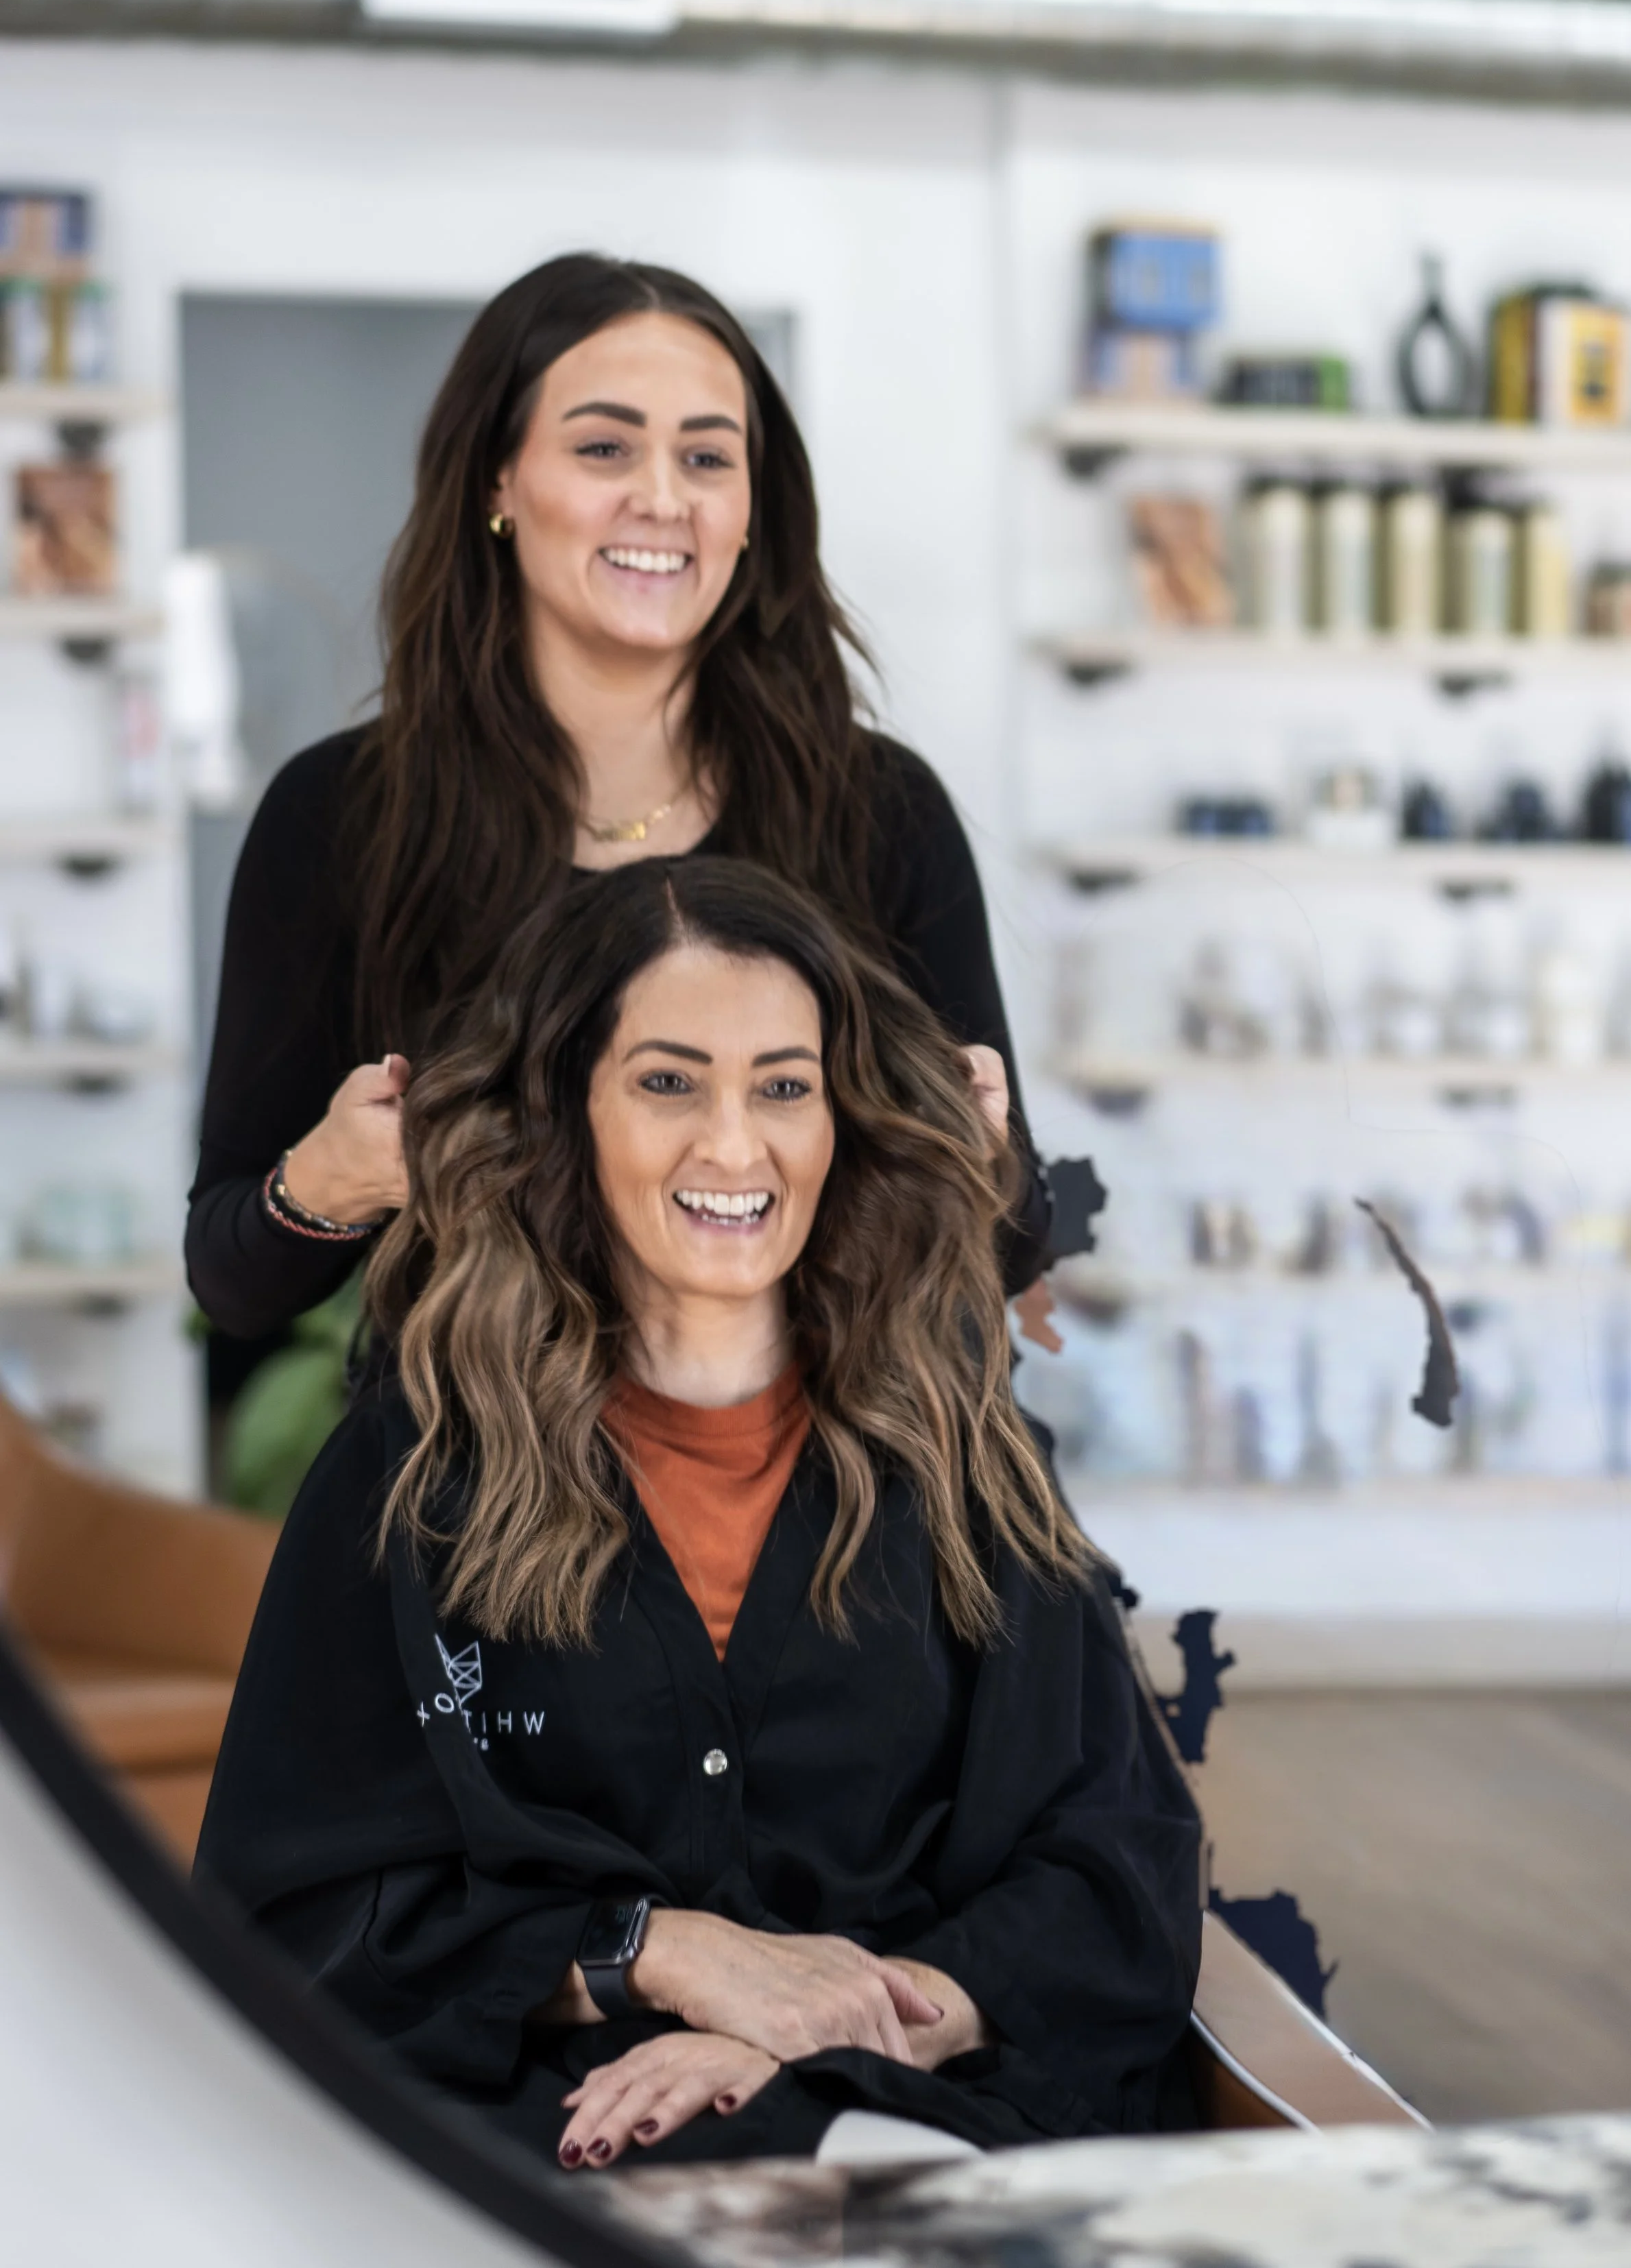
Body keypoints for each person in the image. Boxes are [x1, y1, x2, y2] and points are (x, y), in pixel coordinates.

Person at [195, 859, 1201, 2169]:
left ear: (843, 1114)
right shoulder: (413, 1473)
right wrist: (659, 1956)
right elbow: (295, 1921)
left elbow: (1115, 1875)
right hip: (535, 2153)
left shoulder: (972, 1465)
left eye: (784, 1085)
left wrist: (825, 2032)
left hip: (924, 2129)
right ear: (569, 1111)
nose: (736, 1144)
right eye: (669, 1081)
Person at [187, 253, 1051, 1344]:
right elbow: (232, 1278)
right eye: (605, 447)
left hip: (837, 1490)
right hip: (481, 1490)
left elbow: (1016, 1247)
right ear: (497, 481)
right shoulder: (341, 818)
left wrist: (989, 1162)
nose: (662, 497)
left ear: (751, 507)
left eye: (706, 456)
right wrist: (329, 1178)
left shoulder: (880, 811)